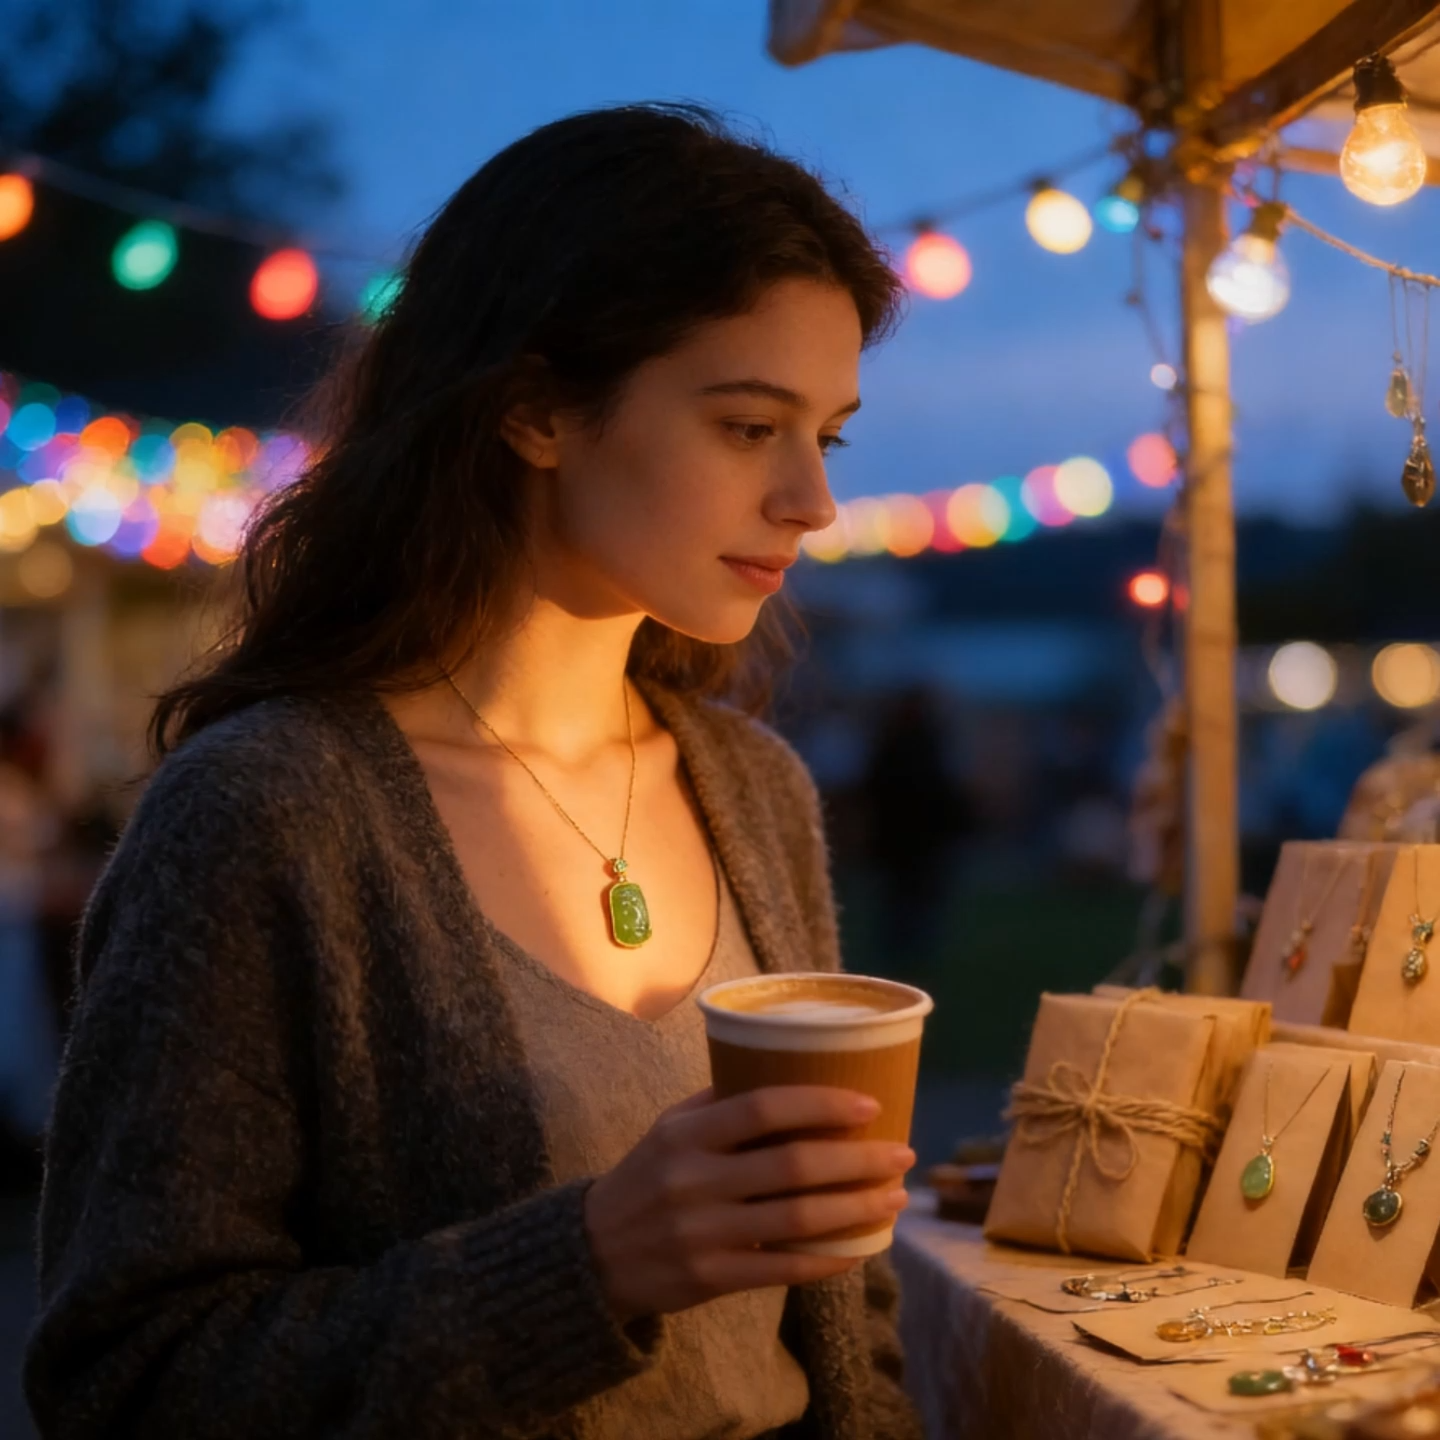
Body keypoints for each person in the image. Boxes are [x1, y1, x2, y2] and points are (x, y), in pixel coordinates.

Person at [23, 103, 924, 1438]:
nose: (814, 500)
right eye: (749, 427)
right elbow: (130, 1378)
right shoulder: (269, 815)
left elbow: (850, 1326)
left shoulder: (753, 787)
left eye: (828, 437)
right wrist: (591, 1264)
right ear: (535, 409)